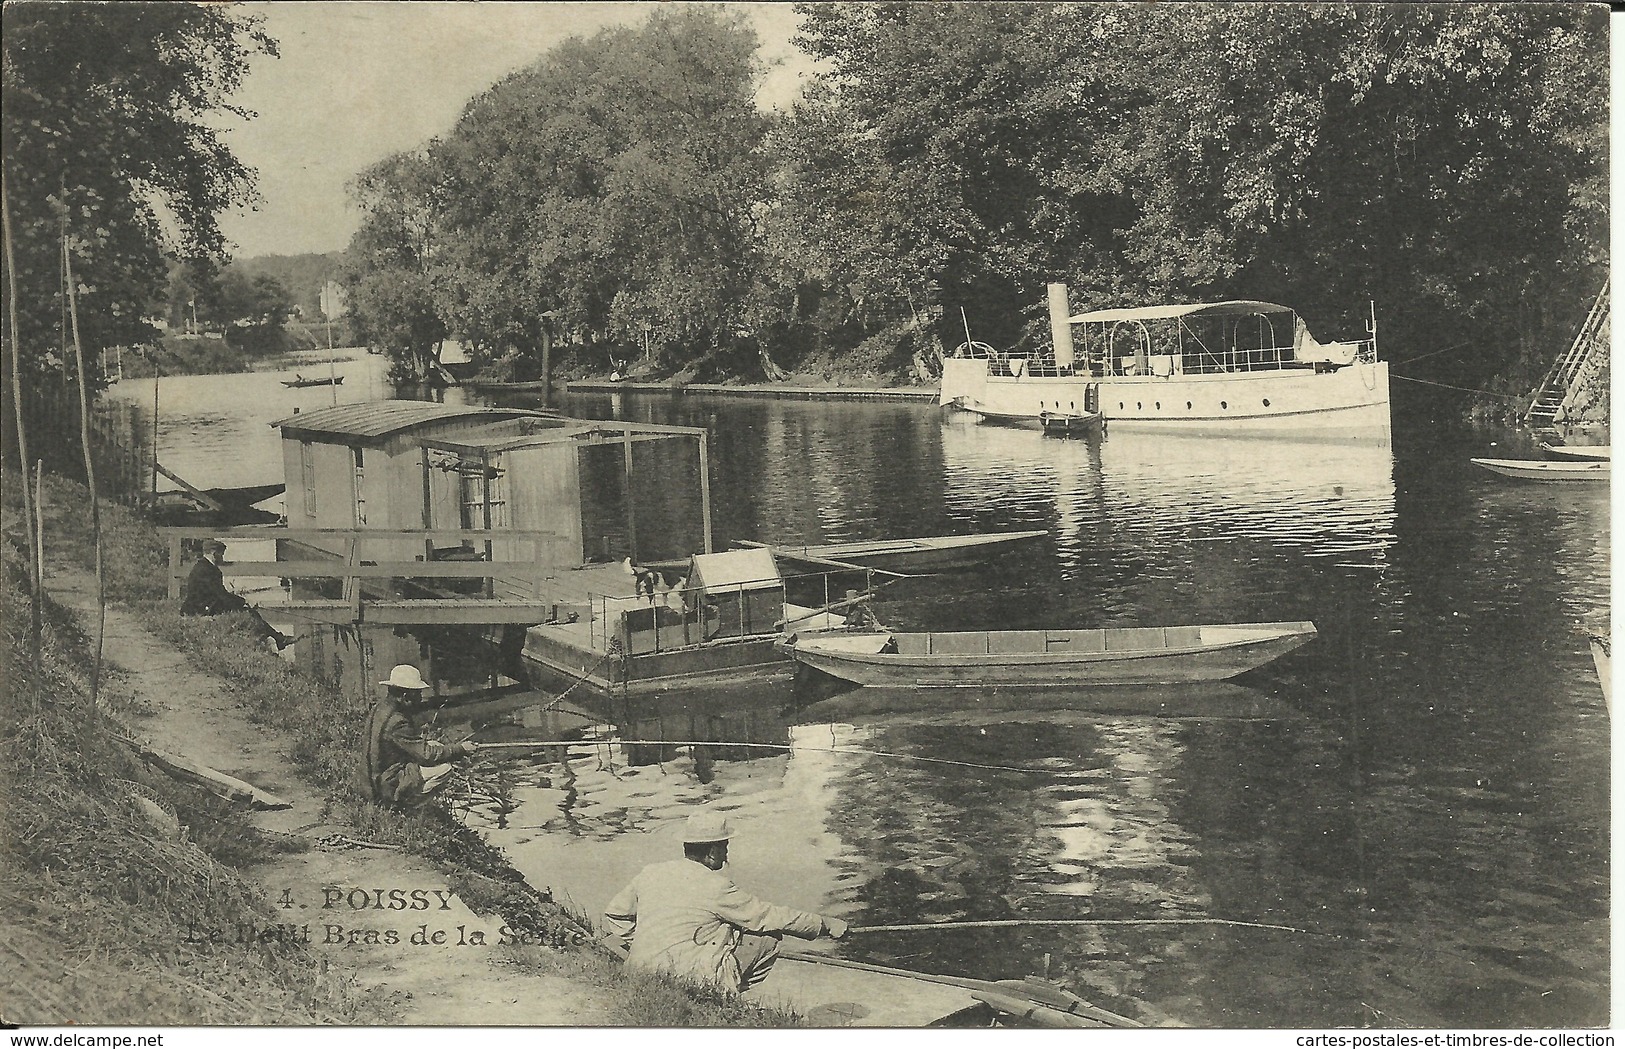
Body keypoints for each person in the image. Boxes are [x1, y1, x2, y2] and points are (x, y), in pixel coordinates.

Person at [601, 813, 847, 992]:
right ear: (712, 852)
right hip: (684, 977)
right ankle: (720, 994)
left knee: (724, 927)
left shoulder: (651, 872)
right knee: (767, 937)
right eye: (725, 846)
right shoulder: (715, 886)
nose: (727, 853)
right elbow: (767, 916)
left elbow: (616, 914)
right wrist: (824, 924)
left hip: (640, 971)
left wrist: (641, 942)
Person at [362, 664, 481, 806]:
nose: (420, 698)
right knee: (445, 769)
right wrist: (461, 749)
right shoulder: (398, 722)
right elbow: (427, 755)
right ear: (405, 696)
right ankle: (406, 806)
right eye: (417, 694)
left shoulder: (380, 708)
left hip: (370, 780)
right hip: (384, 785)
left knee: (435, 745)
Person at [180, 538, 293, 650]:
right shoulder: (209, 570)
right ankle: (278, 639)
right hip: (201, 608)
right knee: (249, 613)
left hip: (200, 605)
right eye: (221, 554)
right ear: (214, 554)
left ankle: (278, 638)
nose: (222, 558)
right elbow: (221, 595)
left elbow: (218, 594)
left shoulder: (202, 566)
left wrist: (241, 602)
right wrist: (244, 602)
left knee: (248, 611)